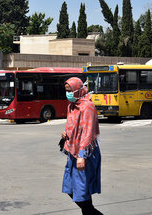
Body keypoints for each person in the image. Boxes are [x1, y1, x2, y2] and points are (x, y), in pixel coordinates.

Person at [61, 77, 103, 215]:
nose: (68, 94)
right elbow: (75, 127)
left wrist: (82, 155)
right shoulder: (71, 106)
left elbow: (88, 132)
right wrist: (66, 134)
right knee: (70, 188)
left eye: (70, 91)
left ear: (78, 90)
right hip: (73, 152)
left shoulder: (87, 106)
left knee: (81, 190)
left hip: (85, 153)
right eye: (66, 91)